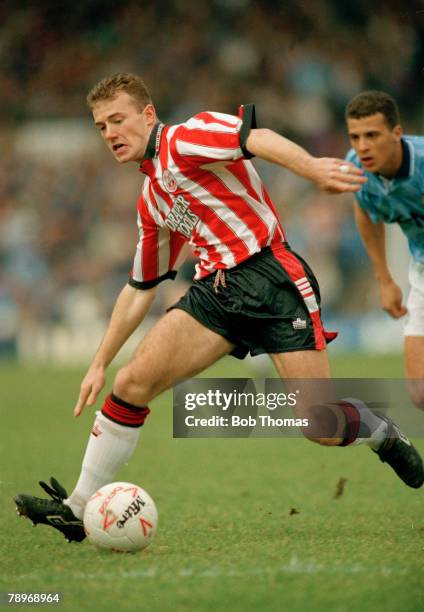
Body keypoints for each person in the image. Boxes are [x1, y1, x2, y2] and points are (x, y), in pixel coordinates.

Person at [14, 74, 424, 543]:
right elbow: (139, 287)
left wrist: (312, 169)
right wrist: (99, 362)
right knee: (129, 384)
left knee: (320, 423)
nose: (109, 133)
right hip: (215, 293)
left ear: (148, 115)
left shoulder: (187, 137)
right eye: (101, 126)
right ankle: (79, 508)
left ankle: (380, 430)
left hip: (273, 281)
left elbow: (256, 137)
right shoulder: (152, 201)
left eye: (117, 120)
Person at [345, 90, 424, 409]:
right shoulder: (357, 170)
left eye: (372, 135)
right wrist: (385, 279)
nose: (362, 146)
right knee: (419, 393)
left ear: (396, 134)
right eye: (355, 136)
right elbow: (364, 212)